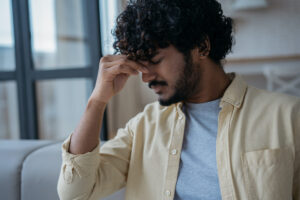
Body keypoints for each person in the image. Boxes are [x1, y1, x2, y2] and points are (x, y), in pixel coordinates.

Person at [57, 0, 300, 199]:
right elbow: (75, 192)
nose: (146, 78)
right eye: (140, 66)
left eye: (154, 60)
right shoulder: (144, 127)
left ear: (201, 47)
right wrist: (97, 101)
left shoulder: (288, 117)